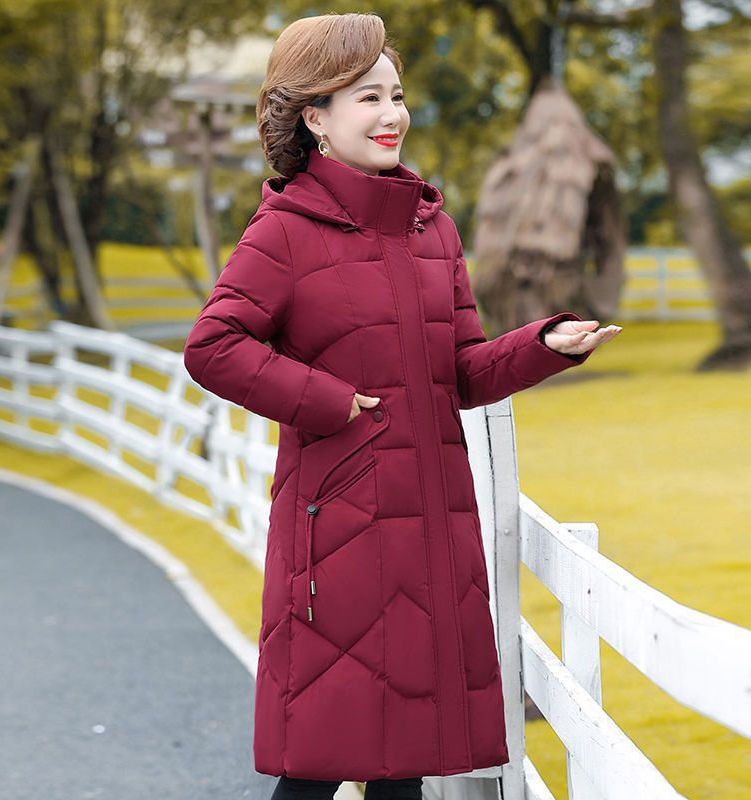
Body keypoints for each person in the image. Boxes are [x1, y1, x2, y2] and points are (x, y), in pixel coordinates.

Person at [183, 12, 621, 800]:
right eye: (368, 98)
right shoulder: (283, 230)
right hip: (339, 536)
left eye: (397, 95)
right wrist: (329, 401)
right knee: (315, 769)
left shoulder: (431, 229)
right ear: (315, 118)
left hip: (432, 532)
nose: (392, 115)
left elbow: (462, 372)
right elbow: (213, 346)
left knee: (404, 769)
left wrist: (544, 345)